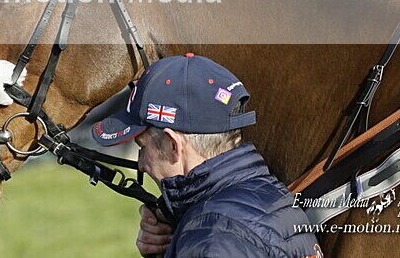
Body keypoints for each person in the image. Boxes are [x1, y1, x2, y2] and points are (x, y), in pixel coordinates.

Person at [92, 53, 321, 258]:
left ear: (174, 145)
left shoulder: (213, 237)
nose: (141, 165)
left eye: (142, 147)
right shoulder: (268, 196)